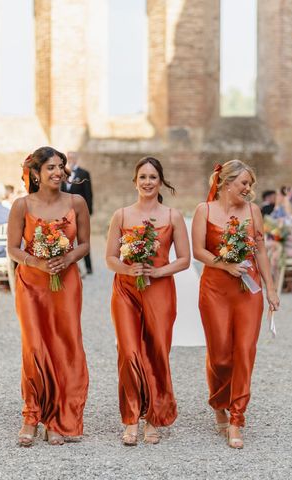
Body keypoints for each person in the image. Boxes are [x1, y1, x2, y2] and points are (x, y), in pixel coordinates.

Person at [192, 160, 280, 449]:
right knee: (220, 355)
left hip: (248, 290)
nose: (248, 189)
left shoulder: (253, 211)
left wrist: (271, 288)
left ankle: (237, 418)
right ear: (226, 182)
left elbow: (261, 252)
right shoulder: (203, 211)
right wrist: (224, 264)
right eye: (244, 183)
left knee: (244, 351)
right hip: (215, 289)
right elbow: (198, 251)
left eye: (250, 184)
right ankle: (219, 401)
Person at [7, 146, 90, 447]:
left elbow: (85, 244)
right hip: (31, 284)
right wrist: (37, 262)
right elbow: (13, 248)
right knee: (34, 347)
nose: (57, 173)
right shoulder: (21, 205)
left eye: (60, 167)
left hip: (66, 284)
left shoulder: (76, 202)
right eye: (51, 168)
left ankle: (56, 418)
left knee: (63, 346)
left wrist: (67, 259)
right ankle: (31, 415)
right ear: (36, 174)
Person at [105, 156, 190, 446]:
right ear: (134, 182)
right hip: (126, 290)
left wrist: (158, 271)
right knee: (128, 352)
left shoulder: (172, 216)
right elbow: (109, 258)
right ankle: (130, 418)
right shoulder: (121, 215)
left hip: (160, 290)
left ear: (161, 181)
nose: (148, 182)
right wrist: (128, 268)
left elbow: (185, 259)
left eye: (153, 177)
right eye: (143, 177)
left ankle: (153, 417)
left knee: (156, 352)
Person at [63, 151, 94, 273]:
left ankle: (88, 266)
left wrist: (88, 212)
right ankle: (69, 264)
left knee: (83, 240)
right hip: (65, 215)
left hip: (80, 213)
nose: (70, 159)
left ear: (76, 158)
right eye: (68, 157)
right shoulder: (62, 174)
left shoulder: (84, 173)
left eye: (72, 157)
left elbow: (88, 194)